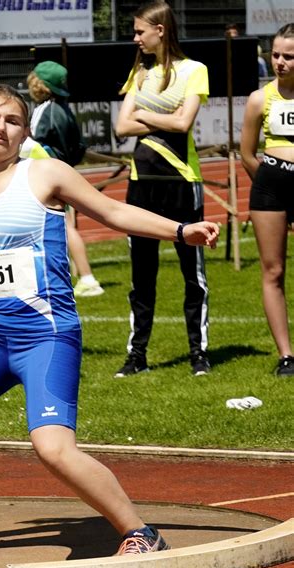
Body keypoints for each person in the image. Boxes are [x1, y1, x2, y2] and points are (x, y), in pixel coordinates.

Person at [0, 84, 218, 556]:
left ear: (24, 133)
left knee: (53, 448)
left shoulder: (44, 175)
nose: (1, 127)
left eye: (12, 121)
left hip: (48, 336)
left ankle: (141, 532)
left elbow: (114, 211)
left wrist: (181, 231)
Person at [114, 1, 212, 378]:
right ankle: (137, 355)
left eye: (141, 31)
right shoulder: (139, 73)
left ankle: (198, 353)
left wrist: (144, 115)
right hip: (142, 184)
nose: (136, 38)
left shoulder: (194, 71)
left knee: (193, 273)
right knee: (142, 275)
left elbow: (184, 122)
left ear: (161, 30)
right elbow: (122, 128)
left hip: (182, 182)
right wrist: (163, 121)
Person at [240, 23, 294, 377]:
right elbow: (246, 153)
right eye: (275, 54)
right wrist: (267, 184)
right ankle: (287, 355)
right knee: (273, 271)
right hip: (271, 185)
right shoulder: (260, 98)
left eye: (288, 56)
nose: (279, 62)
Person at [25, 60, 104, 298]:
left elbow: (33, 143)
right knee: (61, 226)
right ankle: (69, 277)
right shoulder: (62, 108)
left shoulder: (46, 110)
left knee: (66, 228)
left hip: (49, 174)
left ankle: (88, 277)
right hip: (60, 170)